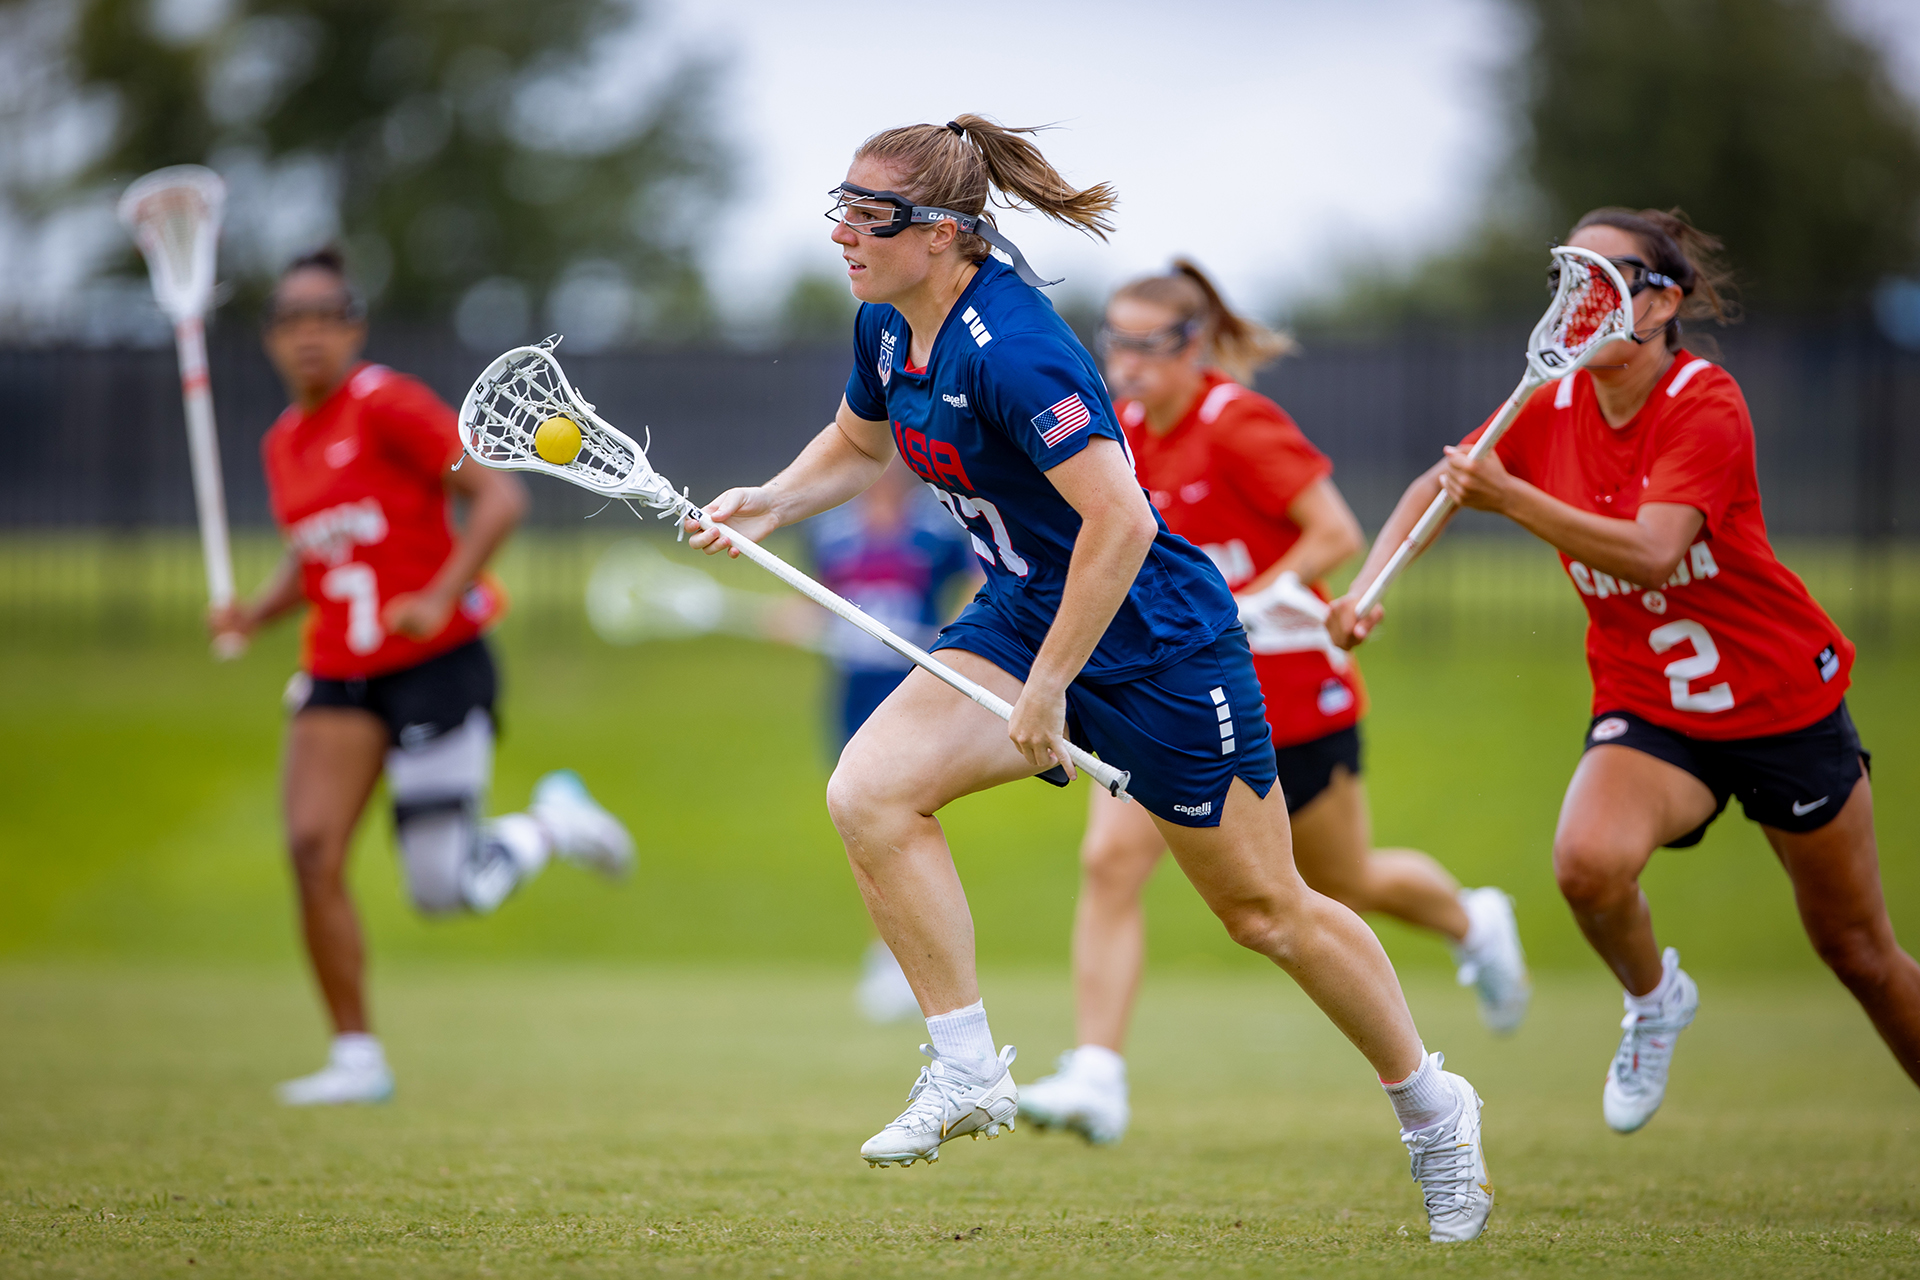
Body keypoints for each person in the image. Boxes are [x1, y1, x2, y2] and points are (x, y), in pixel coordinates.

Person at [689, 115, 1492, 1243]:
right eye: (841, 209)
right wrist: (772, 501)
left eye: (869, 217)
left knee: (1267, 911)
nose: (842, 235)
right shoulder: (885, 321)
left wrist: (1050, 685)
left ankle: (1434, 1107)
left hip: (1158, 643)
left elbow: (1122, 522)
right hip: (1027, 611)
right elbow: (861, 444)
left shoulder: (1015, 350)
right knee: (869, 791)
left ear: (944, 233)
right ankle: (967, 1067)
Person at [1331, 208, 1920, 1132]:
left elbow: (1652, 552)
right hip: (1653, 706)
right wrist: (1368, 587)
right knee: (1587, 867)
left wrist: (1512, 499)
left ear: (1664, 302)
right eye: (1570, 278)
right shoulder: (1552, 402)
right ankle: (1654, 1000)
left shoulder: (1704, 401)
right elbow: (1440, 485)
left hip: (1783, 705)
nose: (1583, 299)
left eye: (1610, 280)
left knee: (1857, 951)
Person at [1017, 261, 1530, 1146]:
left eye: (1146, 344)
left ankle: (1472, 921)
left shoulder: (1238, 423)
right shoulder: (1118, 433)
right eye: (1115, 342)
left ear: (1193, 345)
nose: (1126, 363)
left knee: (1339, 884)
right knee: (1111, 861)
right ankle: (1097, 1075)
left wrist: (1244, 599)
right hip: (1177, 696)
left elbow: (1335, 531)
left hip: (1290, 690)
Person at [210, 249, 636, 1106]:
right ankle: (355, 1057)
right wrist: (254, 614)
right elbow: (316, 554)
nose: (308, 336)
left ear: (354, 327)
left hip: (436, 666)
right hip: (338, 672)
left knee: (443, 890)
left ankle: (551, 825)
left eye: (325, 317)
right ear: (270, 337)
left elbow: (500, 498)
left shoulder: (387, 405)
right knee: (311, 850)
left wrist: (439, 596)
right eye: (291, 320)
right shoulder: (283, 442)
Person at [791, 458, 979, 1022]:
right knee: (862, 822)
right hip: (853, 692)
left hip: (914, 690)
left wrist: (955, 635)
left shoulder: (937, 529)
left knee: (901, 817)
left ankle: (916, 961)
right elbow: (817, 601)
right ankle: (888, 957)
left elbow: (980, 581)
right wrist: (799, 621)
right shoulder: (831, 532)